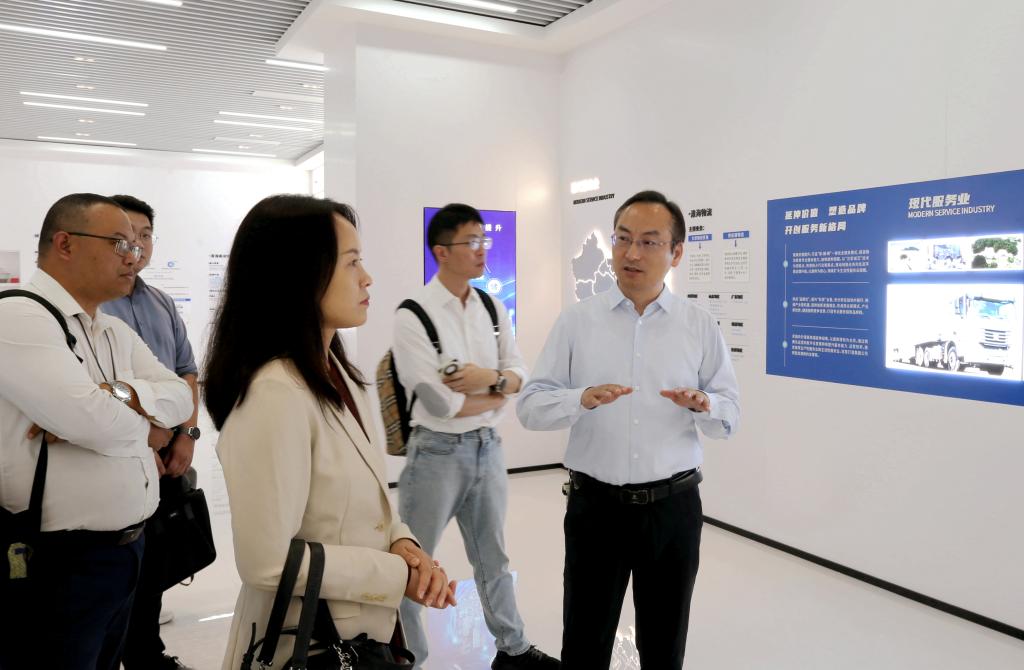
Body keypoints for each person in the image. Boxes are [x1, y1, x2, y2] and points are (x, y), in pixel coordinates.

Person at [204, 195, 457, 669]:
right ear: (300, 275)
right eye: (352, 262)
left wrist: (403, 543)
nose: (367, 277)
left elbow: (367, 499)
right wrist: (394, 574)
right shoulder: (275, 393)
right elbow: (266, 562)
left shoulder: (337, 373)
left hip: (359, 634)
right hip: (307, 644)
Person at [517, 190, 741, 669]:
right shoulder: (577, 322)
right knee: (584, 643)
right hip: (596, 509)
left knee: (664, 646)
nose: (631, 253)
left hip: (673, 509)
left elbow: (729, 416)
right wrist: (580, 398)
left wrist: (704, 405)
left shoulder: (699, 326)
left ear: (676, 253)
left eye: (648, 242)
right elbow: (530, 407)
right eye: (622, 239)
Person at [0, 193, 193, 670]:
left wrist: (120, 393)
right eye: (120, 244)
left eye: (139, 244)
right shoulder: (19, 316)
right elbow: (90, 419)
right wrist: (152, 432)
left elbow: (180, 396)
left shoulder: (110, 329)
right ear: (65, 244)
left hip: (125, 550)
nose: (134, 256)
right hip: (59, 561)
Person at [392, 203, 560, 669]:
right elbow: (440, 402)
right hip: (435, 454)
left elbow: (520, 374)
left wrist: (487, 379)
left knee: (494, 558)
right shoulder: (414, 316)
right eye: (471, 242)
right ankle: (407, 659)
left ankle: (513, 649)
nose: (482, 250)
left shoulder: (490, 307)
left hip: (488, 449)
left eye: (484, 240)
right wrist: (498, 392)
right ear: (441, 251)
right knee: (412, 565)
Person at [100, 194, 201, 670]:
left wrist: (186, 437)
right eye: (126, 237)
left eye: (145, 236)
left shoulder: (161, 302)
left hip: (168, 458)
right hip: (118, 459)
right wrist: (147, 438)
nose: (136, 246)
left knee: (157, 560)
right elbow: (99, 392)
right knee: (115, 572)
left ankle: (147, 655)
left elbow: (187, 373)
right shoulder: (95, 305)